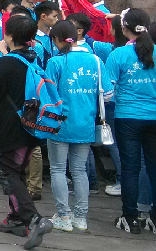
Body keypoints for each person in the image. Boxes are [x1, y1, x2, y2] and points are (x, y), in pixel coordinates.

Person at [0, 15, 53, 249]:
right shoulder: (33, 58)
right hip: (32, 125)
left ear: (8, 35)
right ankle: (15, 218)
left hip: (10, 127)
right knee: (16, 170)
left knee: (7, 170)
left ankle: (33, 219)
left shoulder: (6, 62)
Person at [103, 8, 156, 234]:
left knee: (130, 168)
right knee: (153, 168)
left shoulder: (118, 55)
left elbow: (107, 92)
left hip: (127, 117)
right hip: (154, 116)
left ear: (124, 28)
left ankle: (130, 217)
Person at [44, 20, 100, 232]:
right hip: (86, 122)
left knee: (58, 169)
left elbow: (48, 94)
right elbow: (107, 92)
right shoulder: (95, 60)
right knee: (79, 170)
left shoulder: (56, 62)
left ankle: (63, 216)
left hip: (59, 123)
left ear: (56, 39)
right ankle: (81, 217)